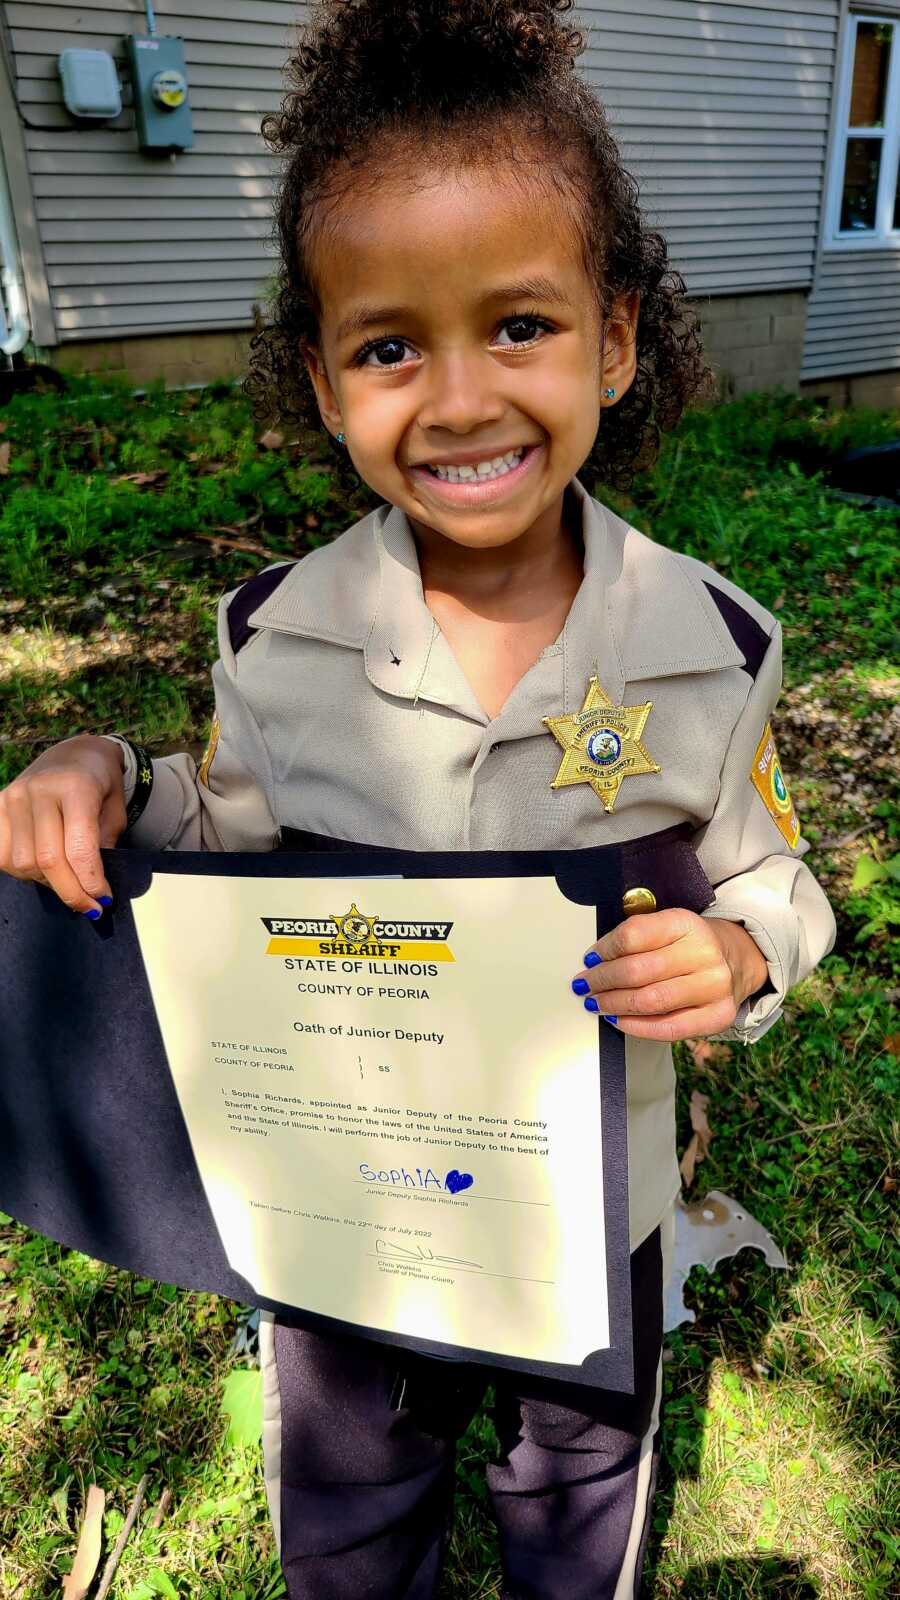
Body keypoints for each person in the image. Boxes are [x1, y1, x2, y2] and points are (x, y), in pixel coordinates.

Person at [0, 3, 835, 1595]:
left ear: (616, 338)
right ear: (323, 381)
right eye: (392, 346)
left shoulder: (716, 652)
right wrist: (101, 773)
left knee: (577, 1473)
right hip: (340, 1189)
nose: (458, 400)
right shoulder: (273, 635)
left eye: (519, 325)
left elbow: (775, 879)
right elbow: (223, 832)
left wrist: (738, 960)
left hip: (594, 1200)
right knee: (349, 1480)